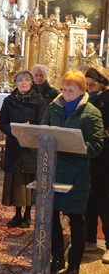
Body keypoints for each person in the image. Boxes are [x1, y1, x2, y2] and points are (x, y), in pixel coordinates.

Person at [41, 70, 104, 274]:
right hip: (53, 169)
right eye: (64, 89)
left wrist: (72, 145)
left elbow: (95, 146)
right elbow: (43, 131)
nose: (66, 93)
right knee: (51, 215)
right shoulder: (53, 107)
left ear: (82, 90)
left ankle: (74, 264)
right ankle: (57, 258)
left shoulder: (91, 112)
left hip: (77, 172)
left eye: (71, 90)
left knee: (77, 219)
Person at [0, 70, 46, 229]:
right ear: (16, 83)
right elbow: (2, 123)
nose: (23, 83)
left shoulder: (39, 101)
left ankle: (27, 215)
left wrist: (29, 129)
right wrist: (13, 130)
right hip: (14, 145)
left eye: (26, 80)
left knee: (29, 180)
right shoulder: (8, 101)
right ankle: (17, 214)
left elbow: (42, 122)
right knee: (16, 182)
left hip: (31, 146)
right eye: (20, 80)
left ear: (31, 83)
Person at [84, 67, 109, 263]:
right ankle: (89, 239)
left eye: (93, 82)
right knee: (87, 199)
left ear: (103, 82)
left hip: (105, 157)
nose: (90, 86)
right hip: (87, 155)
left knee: (104, 201)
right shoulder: (85, 99)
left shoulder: (106, 99)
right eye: (88, 82)